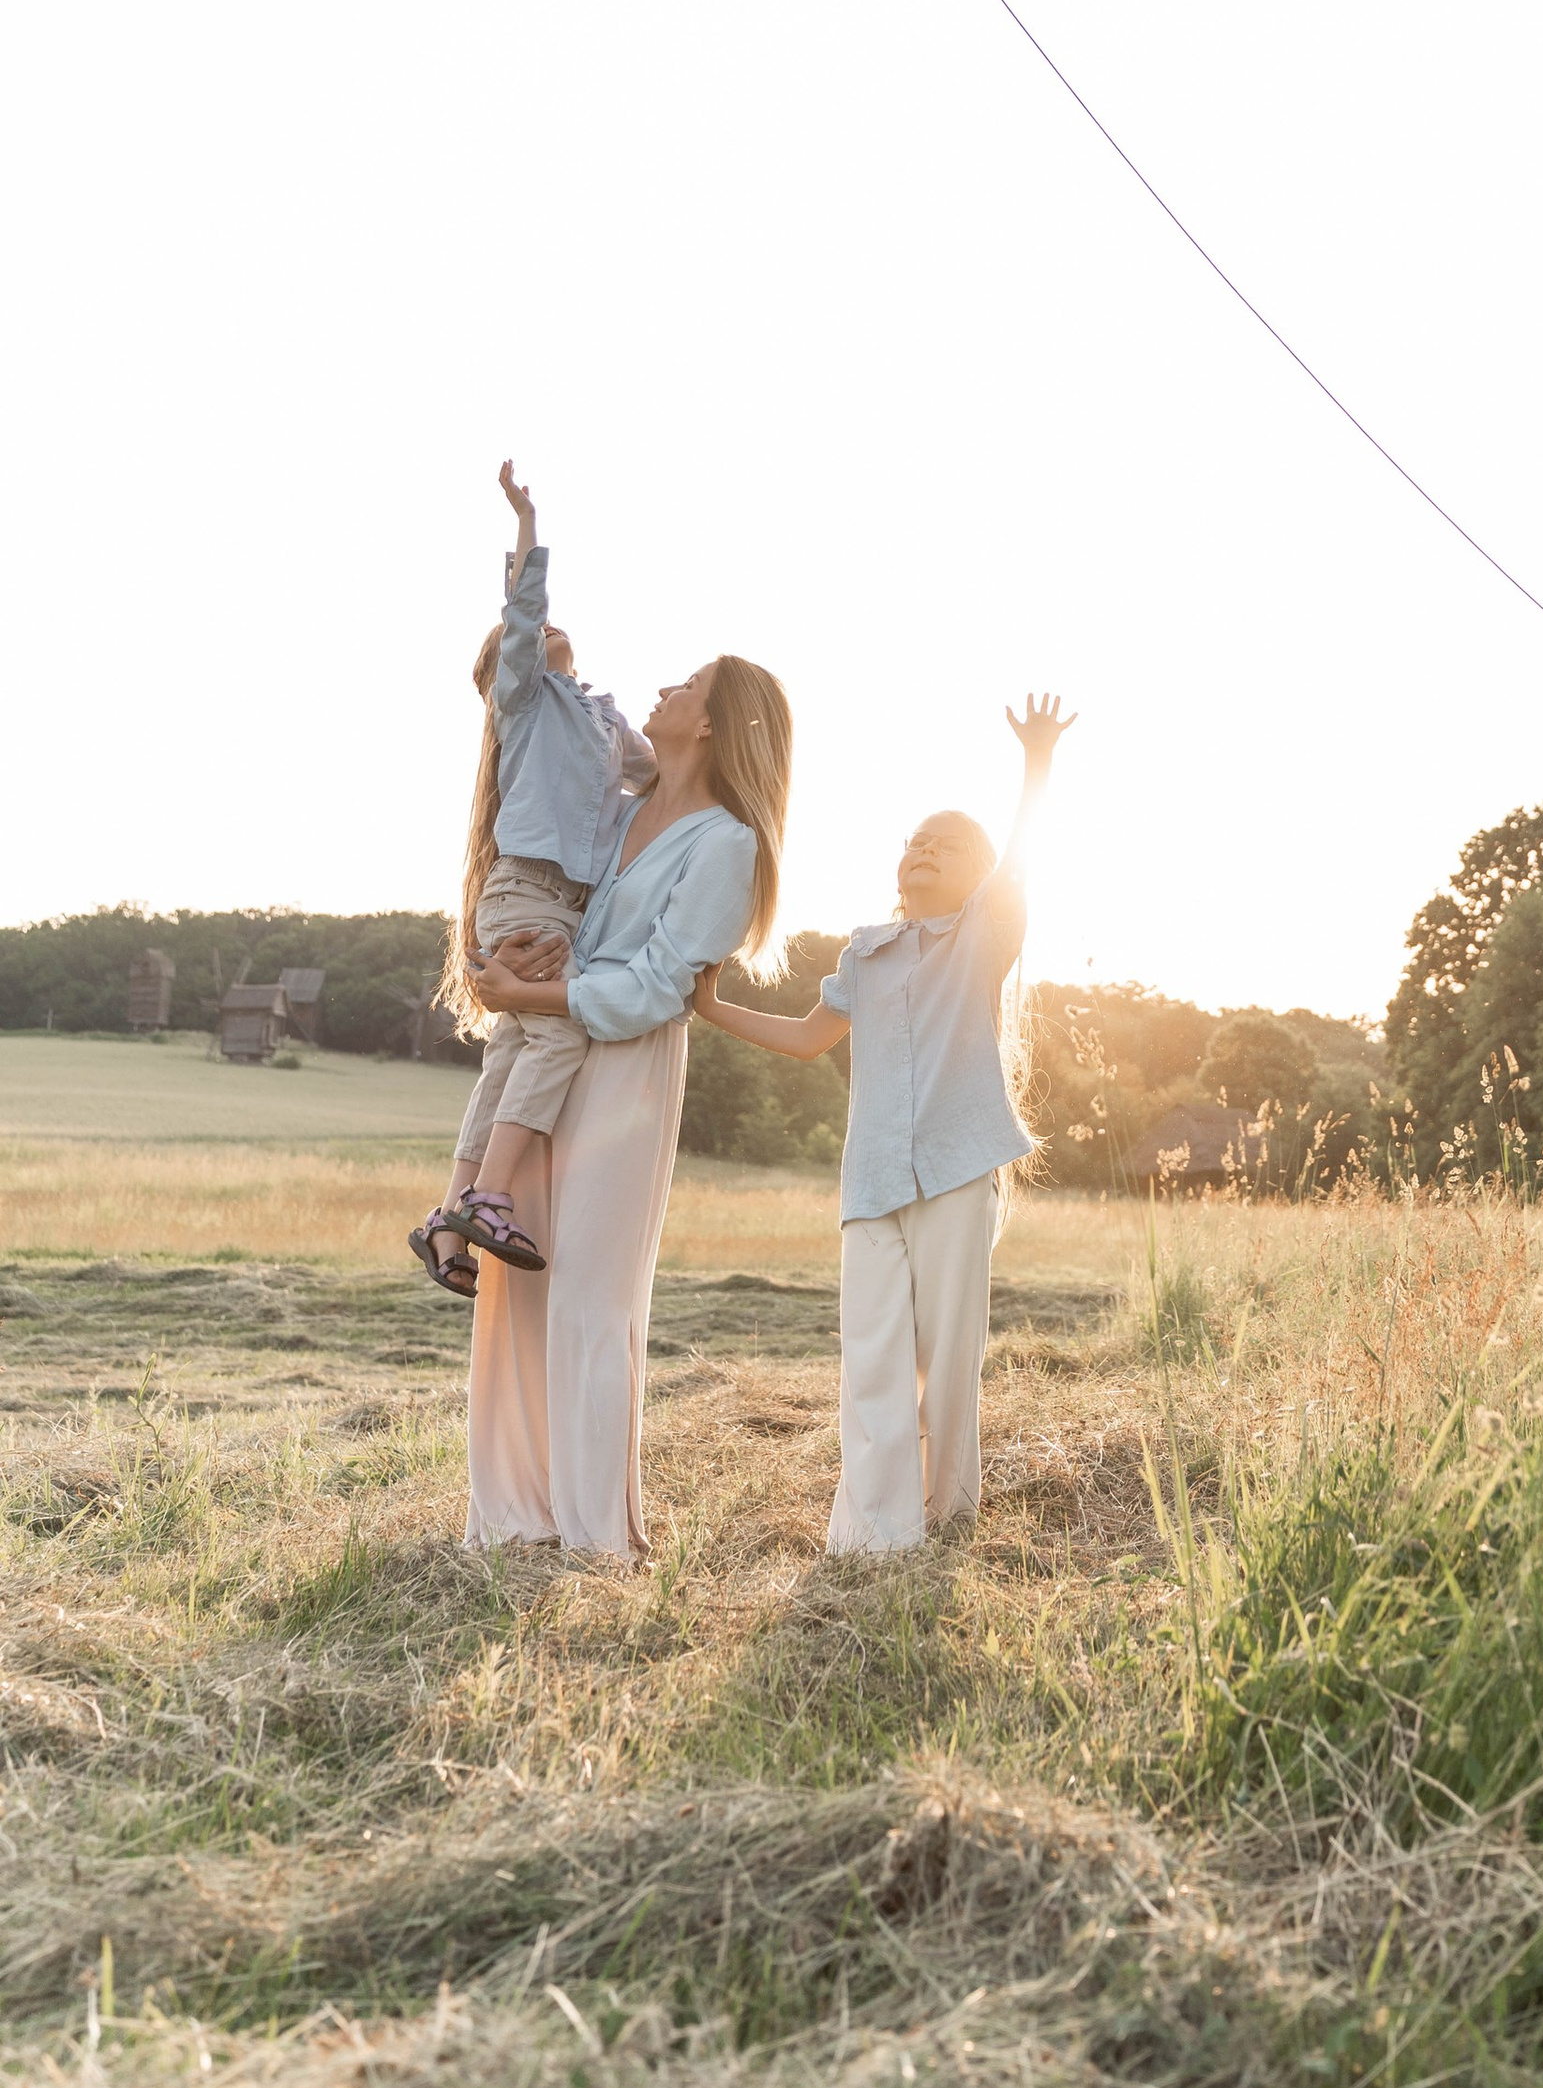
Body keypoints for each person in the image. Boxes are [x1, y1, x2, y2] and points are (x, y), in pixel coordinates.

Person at [692, 693, 1074, 1552]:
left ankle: (948, 1514)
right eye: (915, 841)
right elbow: (806, 1039)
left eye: (946, 845)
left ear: (977, 875)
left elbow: (1017, 870)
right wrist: (713, 1008)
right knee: (872, 1358)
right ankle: (876, 1532)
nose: (924, 850)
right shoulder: (865, 952)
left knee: (947, 1361)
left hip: (957, 1170)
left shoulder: (980, 939)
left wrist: (1037, 762)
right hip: (870, 1182)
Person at [463, 645, 792, 1559]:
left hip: (625, 1067)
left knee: (589, 1295)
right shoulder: (618, 806)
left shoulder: (729, 844)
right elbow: (546, 889)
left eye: (687, 686)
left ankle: (595, 1531)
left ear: (714, 723)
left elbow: (658, 986)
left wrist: (536, 994)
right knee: (520, 1283)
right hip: (552, 1049)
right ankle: (515, 1516)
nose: (664, 688)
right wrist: (507, 962)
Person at [411, 461, 653, 1296]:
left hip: (557, 904)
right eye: (521, 635)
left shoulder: (605, 719)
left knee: (513, 1048)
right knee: (559, 1035)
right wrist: (526, 524)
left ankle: (449, 1219)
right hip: (527, 893)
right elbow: (522, 610)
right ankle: (490, 1197)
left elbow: (657, 782)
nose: (544, 628)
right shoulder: (523, 701)